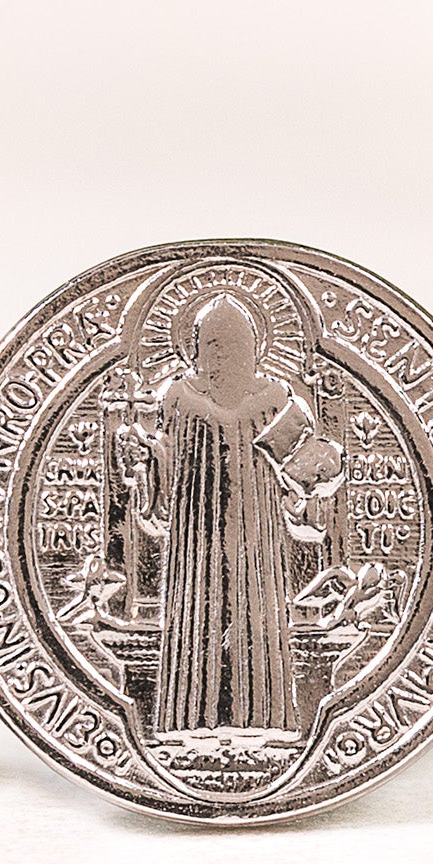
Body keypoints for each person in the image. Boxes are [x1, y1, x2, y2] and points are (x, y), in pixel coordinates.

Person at [143, 295, 341, 740]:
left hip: (257, 524)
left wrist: (318, 480)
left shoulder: (275, 398)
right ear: (195, 348)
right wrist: (147, 461)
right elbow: (164, 460)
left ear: (252, 347)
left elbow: (302, 468)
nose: (220, 354)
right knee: (197, 604)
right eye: (211, 344)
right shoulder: (178, 396)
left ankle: (263, 717)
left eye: (229, 343)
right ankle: (190, 719)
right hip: (196, 525)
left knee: (257, 607)